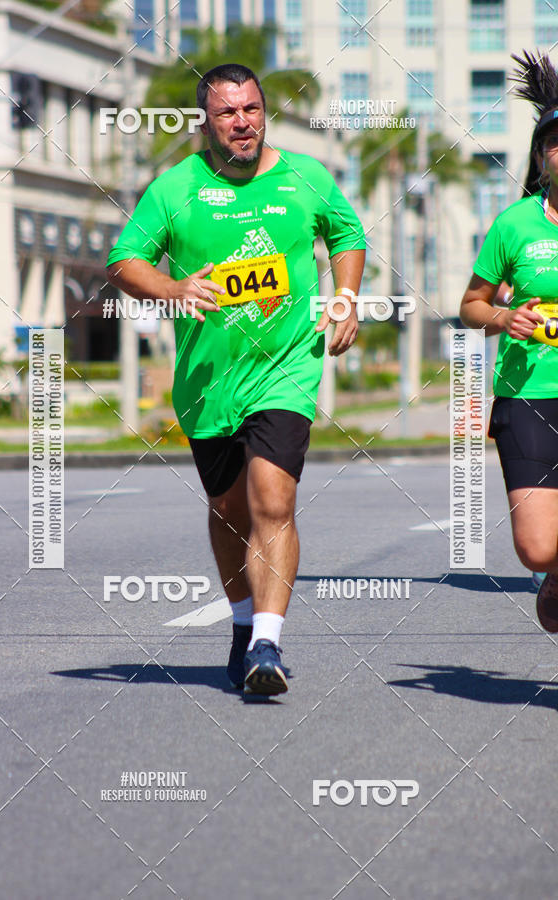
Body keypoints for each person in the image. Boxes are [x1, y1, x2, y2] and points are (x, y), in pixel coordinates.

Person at [106, 64, 366, 693]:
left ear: (263, 111)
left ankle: (269, 647)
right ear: (207, 121)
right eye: (228, 114)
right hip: (207, 379)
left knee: (272, 501)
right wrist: (172, 287)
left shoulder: (306, 176)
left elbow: (347, 231)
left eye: (251, 109)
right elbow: (123, 261)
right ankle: (244, 625)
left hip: (286, 370)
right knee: (228, 512)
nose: (242, 122)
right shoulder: (176, 188)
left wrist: (347, 296)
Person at [460, 50, 558, 631]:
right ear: (541, 159)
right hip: (527, 395)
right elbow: (471, 304)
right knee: (537, 549)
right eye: (553, 143)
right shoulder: (514, 225)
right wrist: (503, 319)